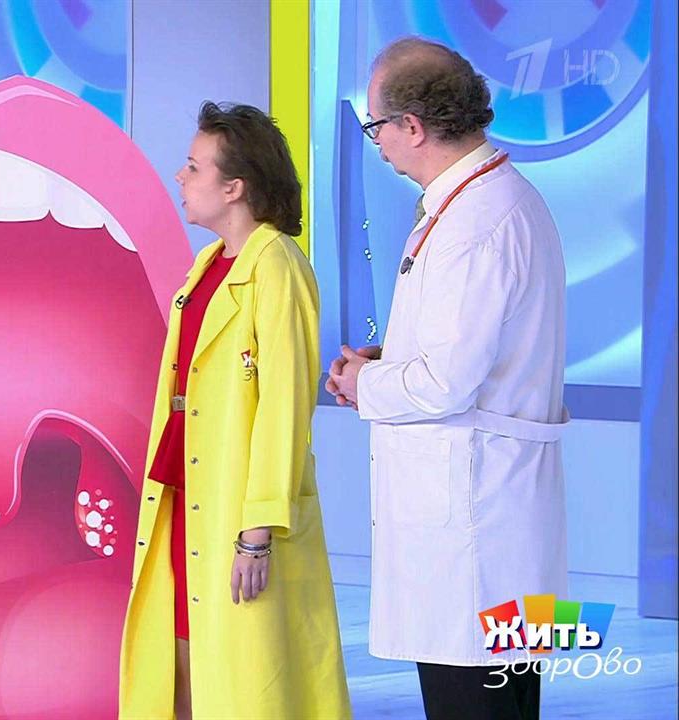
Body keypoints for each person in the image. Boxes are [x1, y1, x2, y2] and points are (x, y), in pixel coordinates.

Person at [327, 37, 568, 720]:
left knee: (476, 701)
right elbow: (474, 351)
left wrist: (363, 385)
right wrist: (390, 357)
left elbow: (445, 384)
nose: (376, 142)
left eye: (376, 126)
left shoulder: (475, 223)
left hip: (474, 527)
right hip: (495, 517)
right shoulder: (493, 201)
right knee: (507, 698)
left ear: (412, 126)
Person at [119, 102, 351, 720]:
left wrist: (257, 533)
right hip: (190, 488)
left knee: (241, 667)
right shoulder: (210, 265)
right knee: (184, 649)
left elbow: (284, 408)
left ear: (235, 187)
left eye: (194, 167)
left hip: (236, 505)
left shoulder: (277, 267)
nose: (180, 176)